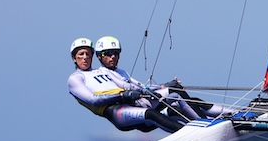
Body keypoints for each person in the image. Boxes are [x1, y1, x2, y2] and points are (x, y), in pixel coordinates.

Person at [66, 36, 184, 133]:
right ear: (74, 58)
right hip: (116, 112)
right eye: (81, 54)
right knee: (151, 114)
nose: (85, 58)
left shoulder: (102, 71)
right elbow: (93, 100)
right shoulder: (75, 78)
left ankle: (199, 124)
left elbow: (130, 85)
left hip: (133, 105)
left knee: (174, 104)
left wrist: (163, 86)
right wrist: (122, 96)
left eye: (88, 54)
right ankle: (186, 133)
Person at [94, 36, 223, 123]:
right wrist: (155, 89)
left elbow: (140, 85)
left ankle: (229, 114)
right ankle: (204, 123)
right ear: (99, 56)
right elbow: (127, 86)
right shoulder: (104, 73)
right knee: (176, 92)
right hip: (139, 104)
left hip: (147, 99)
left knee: (191, 100)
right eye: (108, 53)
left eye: (116, 53)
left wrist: (165, 85)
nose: (113, 57)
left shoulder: (120, 71)